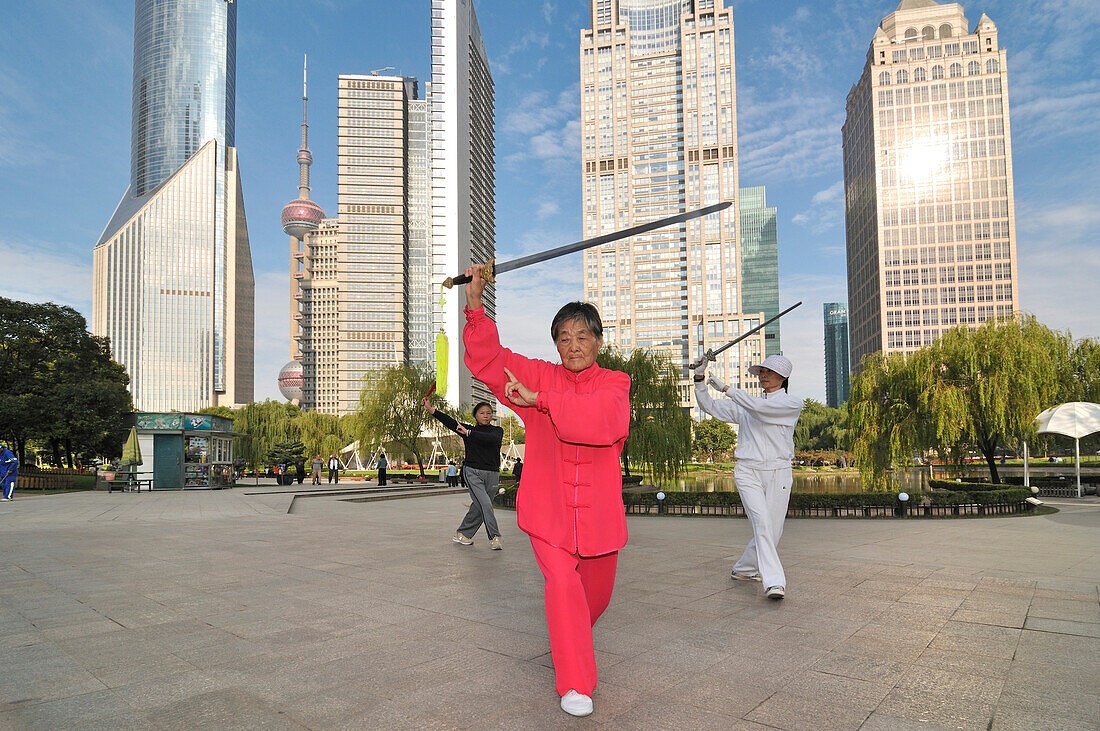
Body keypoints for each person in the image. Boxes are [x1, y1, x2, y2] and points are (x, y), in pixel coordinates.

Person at [458, 264, 630, 718]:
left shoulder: (616, 383)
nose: (573, 346)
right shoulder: (537, 375)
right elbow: (491, 362)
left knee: (592, 602)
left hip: (599, 521)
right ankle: (575, 683)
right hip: (548, 512)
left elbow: (602, 422)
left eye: (582, 337)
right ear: (556, 343)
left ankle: (568, 635)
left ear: (597, 342)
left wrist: (544, 401)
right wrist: (475, 304)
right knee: (561, 587)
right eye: (564, 338)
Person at [694, 354, 804, 601]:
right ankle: (774, 582)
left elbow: (760, 409)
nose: (763, 375)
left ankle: (744, 570)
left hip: (779, 470)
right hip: (748, 471)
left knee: (773, 530)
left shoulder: (791, 404)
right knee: (763, 523)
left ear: (783, 377)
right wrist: (700, 379)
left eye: (769, 371)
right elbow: (709, 406)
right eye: (761, 371)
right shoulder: (746, 406)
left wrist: (725, 388)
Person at [420, 398, 504, 550]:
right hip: (472, 472)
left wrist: (469, 433)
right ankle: (495, 537)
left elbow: (491, 440)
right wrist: (432, 410)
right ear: (476, 415)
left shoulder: (497, 431)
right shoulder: (467, 430)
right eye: (482, 413)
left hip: (492, 474)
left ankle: (463, 533)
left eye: (489, 413)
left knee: (480, 506)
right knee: (485, 504)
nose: (485, 416)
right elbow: (451, 422)